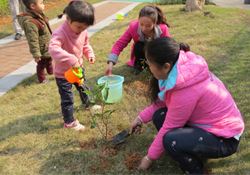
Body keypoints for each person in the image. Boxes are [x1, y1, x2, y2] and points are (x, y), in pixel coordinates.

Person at [130, 37, 245, 174]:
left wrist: (149, 158)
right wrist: (140, 118)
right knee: (159, 116)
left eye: (150, 64)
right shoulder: (179, 71)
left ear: (166, 66)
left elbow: (170, 127)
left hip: (224, 138)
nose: (149, 68)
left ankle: (195, 170)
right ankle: (186, 148)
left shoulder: (185, 89)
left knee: (171, 140)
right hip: (207, 127)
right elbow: (163, 103)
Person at [49, 0, 95, 131]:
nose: (81, 30)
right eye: (79, 27)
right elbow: (53, 49)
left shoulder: (83, 31)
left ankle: (88, 103)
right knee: (67, 98)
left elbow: (85, 44)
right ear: (68, 19)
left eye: (85, 28)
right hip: (63, 74)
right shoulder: (60, 33)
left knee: (83, 87)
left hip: (78, 69)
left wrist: (89, 53)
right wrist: (72, 59)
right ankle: (69, 122)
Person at [106, 5, 171, 75]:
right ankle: (140, 67)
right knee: (138, 46)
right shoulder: (133, 27)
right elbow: (119, 44)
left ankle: (154, 66)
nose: (144, 28)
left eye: (148, 26)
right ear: (138, 20)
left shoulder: (163, 29)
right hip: (141, 55)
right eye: (141, 24)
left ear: (155, 23)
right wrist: (110, 63)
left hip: (156, 55)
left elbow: (168, 48)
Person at [18, 0, 53, 83]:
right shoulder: (30, 23)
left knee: (49, 59)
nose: (43, 5)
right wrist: (36, 54)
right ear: (33, 6)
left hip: (47, 45)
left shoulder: (38, 14)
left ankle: (51, 71)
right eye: (41, 3)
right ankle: (42, 79)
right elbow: (32, 40)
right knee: (41, 64)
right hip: (41, 48)